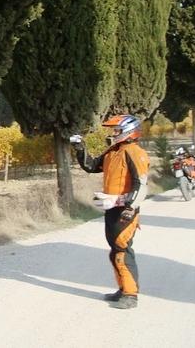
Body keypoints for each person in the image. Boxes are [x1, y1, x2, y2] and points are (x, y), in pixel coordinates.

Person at [70, 114, 149, 310]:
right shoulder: (113, 152)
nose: (113, 134)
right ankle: (122, 289)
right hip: (111, 207)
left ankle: (131, 295)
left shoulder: (134, 152)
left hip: (125, 210)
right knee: (114, 250)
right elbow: (90, 166)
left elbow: (142, 183)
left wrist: (130, 208)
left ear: (129, 131)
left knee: (122, 249)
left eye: (117, 131)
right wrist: (80, 148)